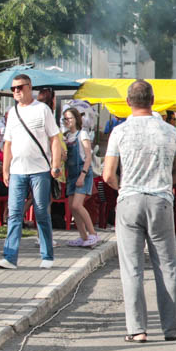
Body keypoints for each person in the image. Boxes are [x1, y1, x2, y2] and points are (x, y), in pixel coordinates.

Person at [103, 80, 176, 343]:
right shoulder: (170, 132)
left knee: (132, 268)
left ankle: (137, 329)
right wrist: (165, 182)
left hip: (129, 199)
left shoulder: (119, 132)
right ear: (153, 100)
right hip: (160, 199)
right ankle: (171, 328)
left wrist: (123, 188)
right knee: (167, 266)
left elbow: (107, 174)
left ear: (129, 102)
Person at [0, 73, 64, 271]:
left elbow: (55, 138)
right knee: (14, 213)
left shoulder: (42, 110)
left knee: (41, 212)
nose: (16, 91)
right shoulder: (12, 112)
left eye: (20, 87)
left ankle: (47, 255)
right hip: (17, 170)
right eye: (13, 88)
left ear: (29, 87)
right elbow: (8, 143)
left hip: (40, 169)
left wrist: (55, 164)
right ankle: (10, 257)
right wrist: (5, 169)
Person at [61, 107, 98, 249]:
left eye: (69, 118)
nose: (67, 121)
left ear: (77, 119)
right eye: (65, 119)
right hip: (71, 173)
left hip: (82, 171)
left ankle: (93, 233)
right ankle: (83, 236)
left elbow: (88, 156)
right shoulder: (66, 136)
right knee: (72, 207)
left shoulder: (82, 134)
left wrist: (83, 174)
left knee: (77, 205)